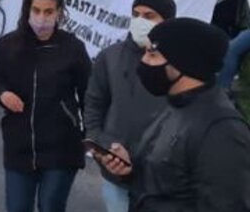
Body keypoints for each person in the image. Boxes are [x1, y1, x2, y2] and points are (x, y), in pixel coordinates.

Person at [98, 18, 250, 211]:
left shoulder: (221, 129)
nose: (143, 62)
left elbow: (227, 204)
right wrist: (129, 169)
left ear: (183, 62)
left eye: (152, 55)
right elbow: (168, 180)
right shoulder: (174, 105)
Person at [0, 0, 92, 212]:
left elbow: (88, 95)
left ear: (59, 13)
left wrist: (89, 135)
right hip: (19, 145)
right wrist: (2, 94)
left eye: (48, 12)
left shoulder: (73, 48)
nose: (41, 18)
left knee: (51, 205)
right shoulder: (8, 45)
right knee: (17, 207)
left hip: (61, 146)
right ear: (27, 10)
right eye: (36, 10)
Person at [84, 0, 176, 212]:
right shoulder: (110, 57)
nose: (140, 21)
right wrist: (102, 147)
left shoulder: (179, 62)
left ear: (167, 21)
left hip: (161, 177)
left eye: (149, 15)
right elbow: (94, 106)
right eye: (136, 14)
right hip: (115, 171)